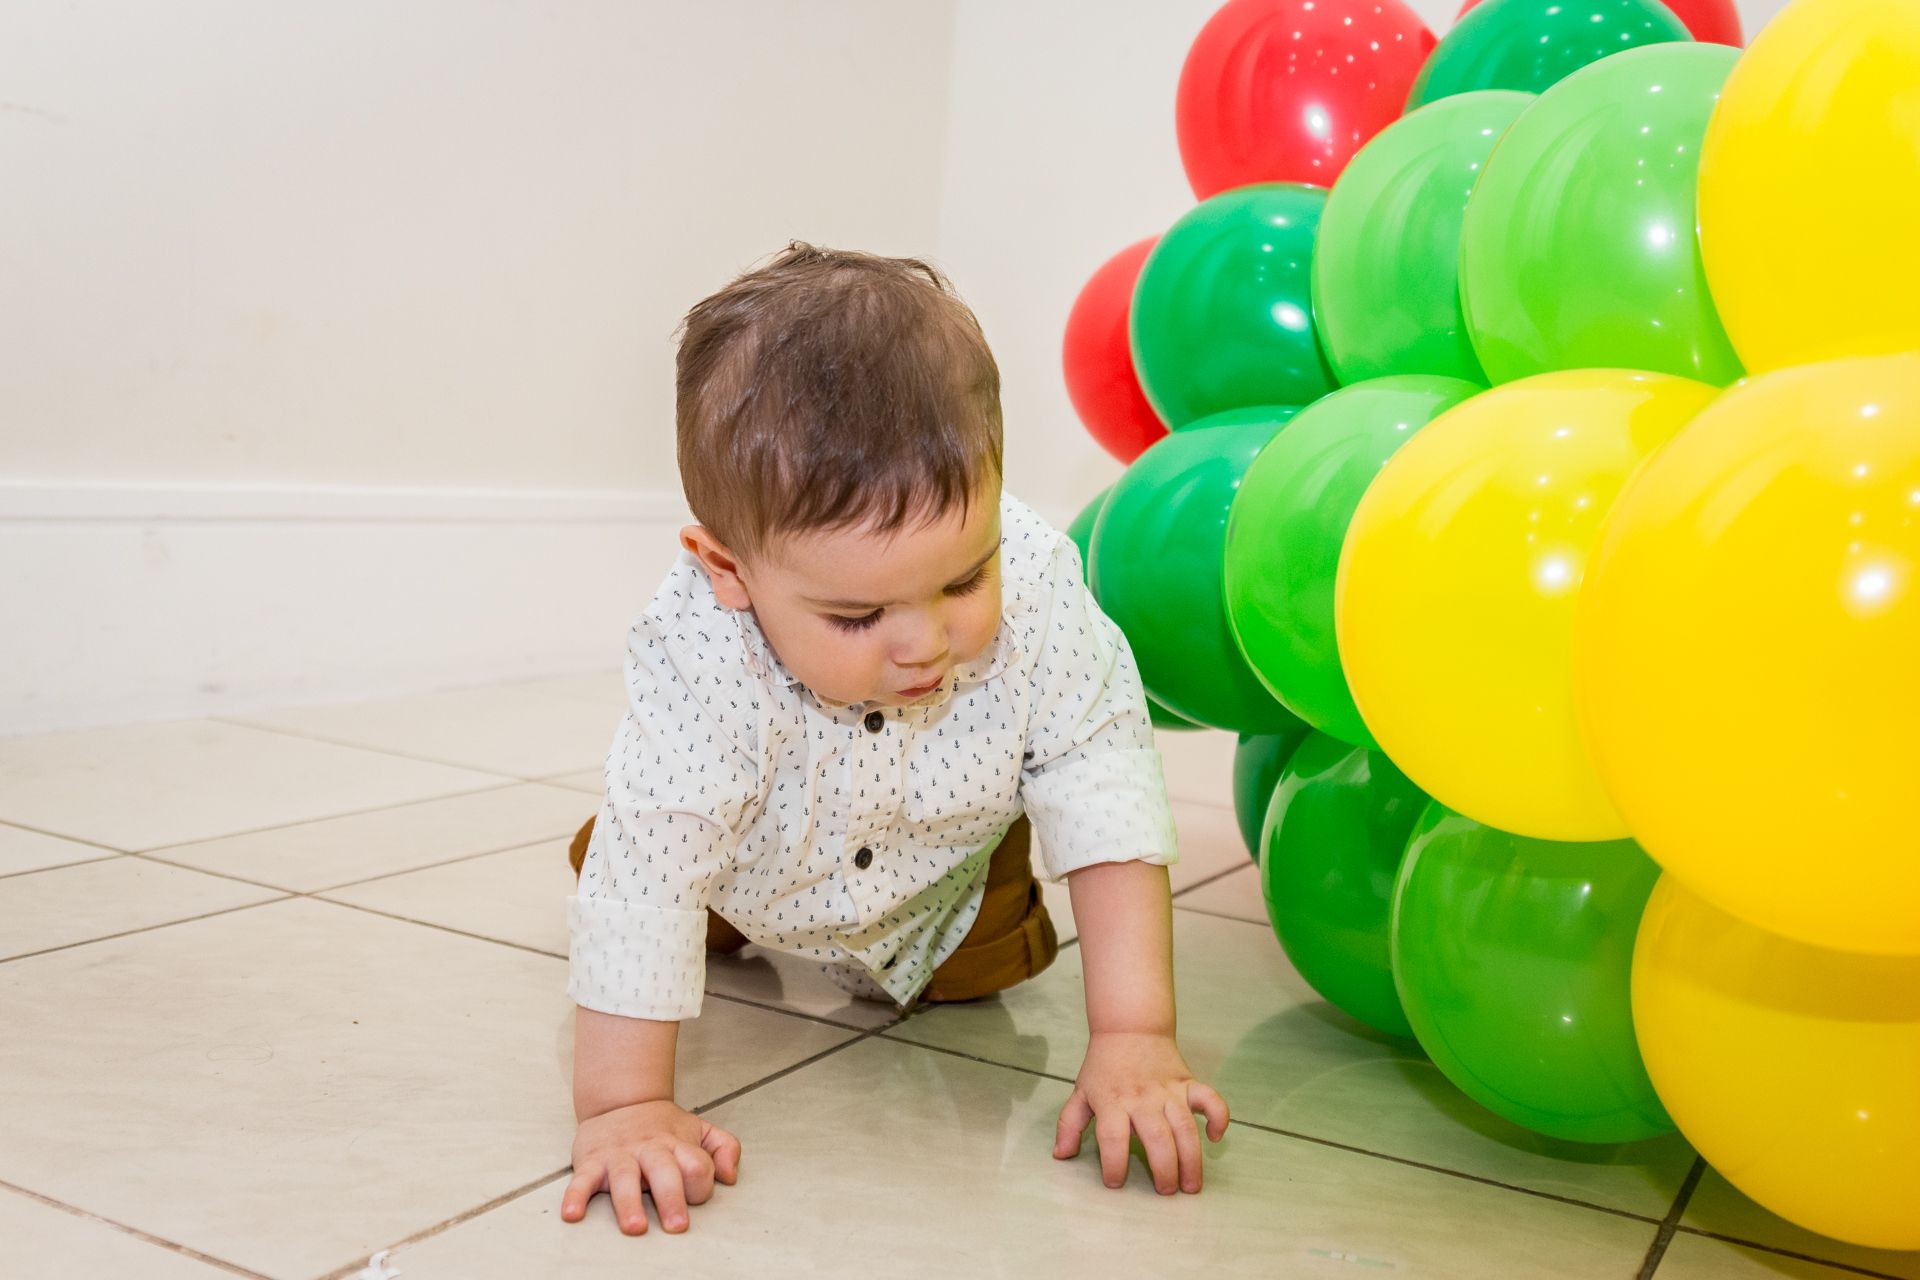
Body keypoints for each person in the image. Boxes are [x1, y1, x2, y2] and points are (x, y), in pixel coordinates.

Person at [560, 242, 1229, 1237]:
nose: (926, 643)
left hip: (948, 869)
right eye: (857, 615)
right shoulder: (698, 650)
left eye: (964, 580)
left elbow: (1105, 784)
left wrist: (1135, 1033)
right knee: (646, 861)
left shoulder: (1043, 583)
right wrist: (623, 1106)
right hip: (751, 854)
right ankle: (667, 879)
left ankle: (959, 922)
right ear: (728, 569)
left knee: (987, 966)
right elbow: (649, 872)